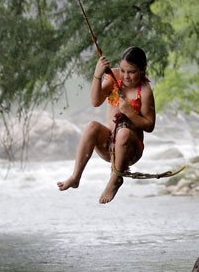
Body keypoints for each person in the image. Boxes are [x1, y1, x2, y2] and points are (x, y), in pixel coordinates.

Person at [57, 46, 156, 204]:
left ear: (142, 70)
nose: (126, 76)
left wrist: (130, 113)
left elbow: (150, 125)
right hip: (108, 146)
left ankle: (115, 179)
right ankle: (76, 177)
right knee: (91, 126)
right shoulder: (114, 77)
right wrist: (97, 75)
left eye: (131, 72)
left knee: (123, 132)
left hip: (130, 149)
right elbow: (95, 101)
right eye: (123, 70)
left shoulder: (144, 91)